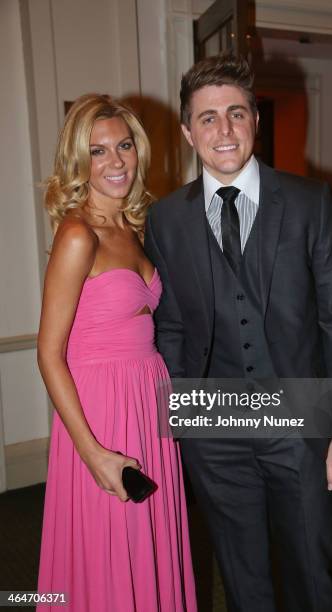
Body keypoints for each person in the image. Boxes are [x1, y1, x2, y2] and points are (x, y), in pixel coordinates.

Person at [144, 55, 332, 612]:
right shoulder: (165, 219)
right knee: (243, 580)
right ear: (187, 132)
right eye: (208, 117)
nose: (224, 130)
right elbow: (169, 325)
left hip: (300, 422)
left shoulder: (310, 202)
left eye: (236, 114)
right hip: (215, 432)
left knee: (311, 572)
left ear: (255, 122)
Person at [36, 94, 197, 611]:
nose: (115, 161)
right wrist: (93, 453)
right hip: (102, 411)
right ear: (78, 162)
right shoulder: (78, 234)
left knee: (149, 541)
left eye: (123, 146)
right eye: (98, 151)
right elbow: (48, 354)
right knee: (111, 549)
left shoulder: (134, 228)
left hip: (148, 400)